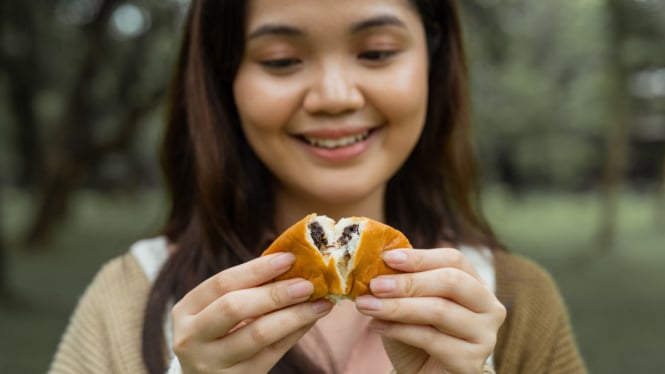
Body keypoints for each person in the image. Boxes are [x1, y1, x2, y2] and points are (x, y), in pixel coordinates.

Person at [49, 0, 587, 373]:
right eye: (282, 60)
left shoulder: (516, 303)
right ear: (224, 80)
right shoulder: (130, 299)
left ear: (434, 62)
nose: (334, 96)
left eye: (376, 52)